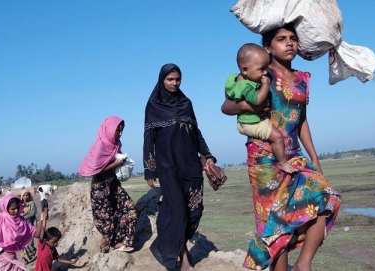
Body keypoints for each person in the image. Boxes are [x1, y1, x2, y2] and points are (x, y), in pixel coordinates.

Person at [221, 23, 341, 271]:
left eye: (293, 38)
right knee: (275, 226)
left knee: (327, 198)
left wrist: (314, 159)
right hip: (263, 158)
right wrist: (247, 106)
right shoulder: (260, 74)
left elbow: (302, 120)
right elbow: (226, 106)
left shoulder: (302, 79)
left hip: (294, 155)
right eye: (281, 39)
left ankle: (303, 265)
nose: (289, 43)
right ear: (268, 48)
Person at [143, 63, 217, 271]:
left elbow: (196, 132)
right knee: (178, 212)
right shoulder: (153, 106)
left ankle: (161, 246)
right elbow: (149, 138)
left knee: (195, 210)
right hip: (168, 167)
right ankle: (184, 259)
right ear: (162, 80)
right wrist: (150, 168)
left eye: (178, 79)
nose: (174, 83)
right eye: (170, 79)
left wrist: (207, 154)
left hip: (191, 165)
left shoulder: (186, 103)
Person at [225, 43, 296, 174]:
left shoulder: (237, 80)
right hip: (253, 123)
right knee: (277, 137)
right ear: (245, 70)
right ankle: (282, 163)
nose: (265, 73)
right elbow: (257, 100)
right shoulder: (246, 85)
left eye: (266, 68)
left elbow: (228, 94)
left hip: (247, 122)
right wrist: (265, 85)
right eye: (261, 69)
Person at [78, 116, 138, 253]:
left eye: (122, 130)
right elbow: (96, 170)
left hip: (114, 185)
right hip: (100, 188)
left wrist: (123, 164)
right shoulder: (99, 146)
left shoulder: (116, 144)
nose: (120, 134)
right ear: (110, 130)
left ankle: (125, 240)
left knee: (131, 209)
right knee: (107, 220)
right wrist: (115, 164)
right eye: (118, 130)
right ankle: (106, 249)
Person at [20, 190, 37, 262]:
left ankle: (32, 252)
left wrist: (22, 217)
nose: (26, 197)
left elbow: (32, 213)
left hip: (29, 226)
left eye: (27, 195)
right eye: (24, 195)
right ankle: (25, 258)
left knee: (30, 242)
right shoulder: (20, 204)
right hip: (21, 226)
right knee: (21, 243)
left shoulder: (31, 203)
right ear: (22, 196)